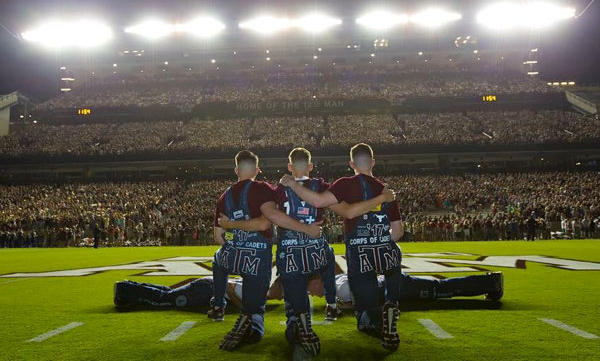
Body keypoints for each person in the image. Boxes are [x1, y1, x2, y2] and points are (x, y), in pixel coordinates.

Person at [220, 147, 396, 356]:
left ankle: (298, 321)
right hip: (316, 250)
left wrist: (232, 224)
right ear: (311, 166)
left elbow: (269, 218)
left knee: (291, 284)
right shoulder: (321, 187)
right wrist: (382, 199)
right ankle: (331, 304)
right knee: (329, 259)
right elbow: (348, 212)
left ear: (289, 167)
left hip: (289, 249)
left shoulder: (276, 190)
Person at [280, 143, 404, 351]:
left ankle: (370, 318)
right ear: (373, 162)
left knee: (361, 302)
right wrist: (380, 236)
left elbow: (321, 203)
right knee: (393, 259)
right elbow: (398, 232)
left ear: (351, 164)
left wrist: (292, 184)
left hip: (355, 252)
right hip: (384, 249)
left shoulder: (344, 183)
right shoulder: (386, 190)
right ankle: (389, 303)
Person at [210, 150, 322, 352]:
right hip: (258, 256)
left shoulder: (223, 197)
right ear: (257, 170)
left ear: (236, 170)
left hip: (234, 254)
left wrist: (234, 231)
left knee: (218, 260)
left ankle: (221, 307)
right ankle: (287, 324)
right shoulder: (263, 189)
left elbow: (218, 237)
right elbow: (265, 223)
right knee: (273, 292)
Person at [112, 271, 504, 311]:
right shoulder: (336, 285)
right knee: (165, 299)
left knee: (442, 292)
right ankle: (126, 290)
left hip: (394, 287)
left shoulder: (339, 287)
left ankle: (489, 283)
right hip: (205, 292)